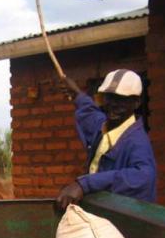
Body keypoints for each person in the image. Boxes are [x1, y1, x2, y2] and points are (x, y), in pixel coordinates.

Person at [56, 69, 157, 209]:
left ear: (136, 102)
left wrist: (84, 184)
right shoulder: (103, 126)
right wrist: (76, 93)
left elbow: (143, 177)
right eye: (109, 97)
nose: (114, 104)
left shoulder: (137, 141)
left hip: (121, 221)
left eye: (121, 99)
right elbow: (89, 112)